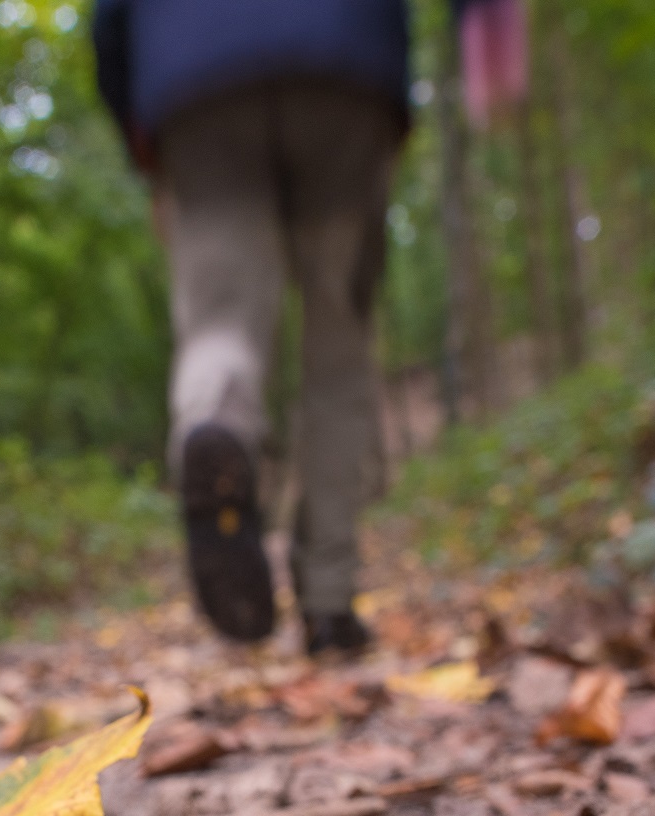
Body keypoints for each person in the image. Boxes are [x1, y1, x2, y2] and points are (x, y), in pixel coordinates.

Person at [92, 0, 411, 655]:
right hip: (345, 64)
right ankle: (329, 600)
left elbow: (109, 20)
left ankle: (217, 426)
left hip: (192, 80)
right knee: (339, 348)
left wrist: (136, 130)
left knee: (219, 326)